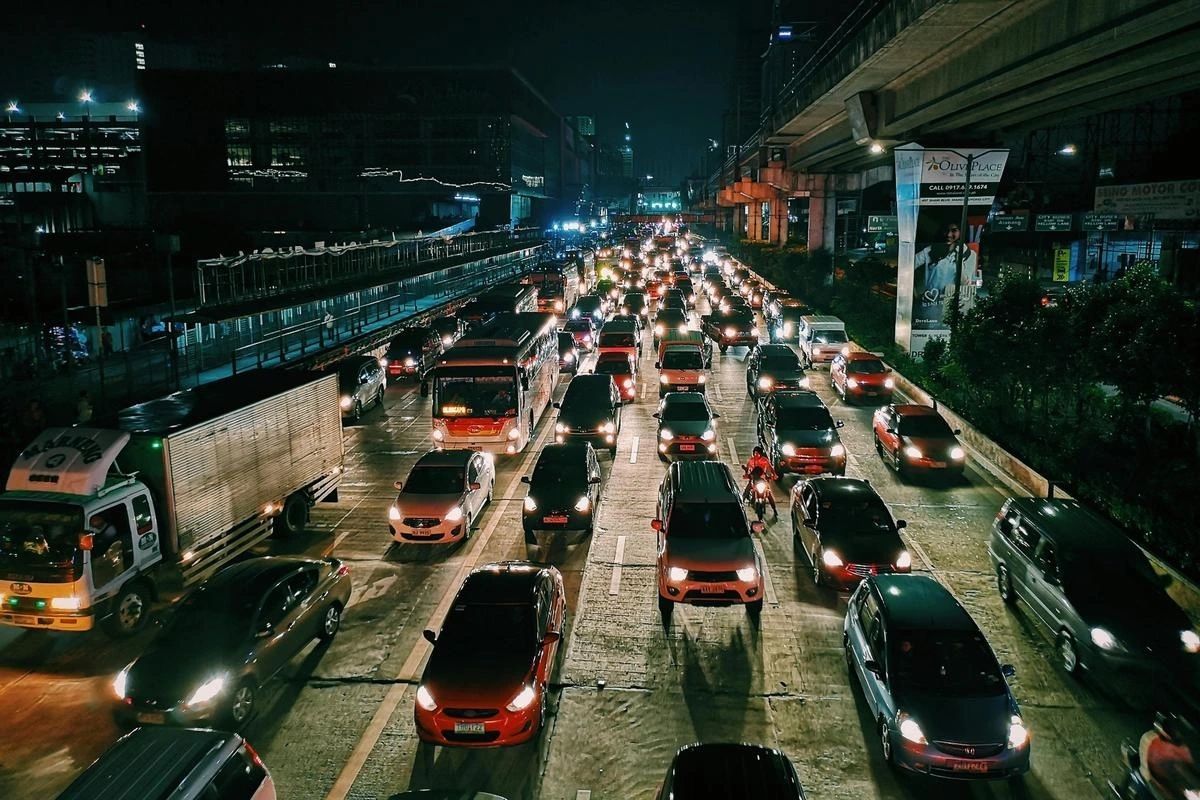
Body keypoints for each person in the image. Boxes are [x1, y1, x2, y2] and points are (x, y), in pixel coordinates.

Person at [742, 445, 778, 515]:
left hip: (763, 480)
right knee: (747, 491)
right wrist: (746, 475)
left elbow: (771, 468)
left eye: (757, 453)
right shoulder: (751, 461)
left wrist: (774, 475)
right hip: (754, 479)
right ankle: (741, 505)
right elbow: (747, 469)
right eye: (755, 453)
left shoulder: (765, 460)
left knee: (769, 494)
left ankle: (774, 509)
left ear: (761, 454)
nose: (756, 455)